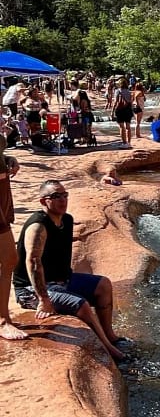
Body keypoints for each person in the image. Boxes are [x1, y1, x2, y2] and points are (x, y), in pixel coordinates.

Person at [13, 180, 124, 361]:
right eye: (56, 196)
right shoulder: (38, 225)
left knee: (103, 285)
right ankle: (109, 350)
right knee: (81, 305)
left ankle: (110, 336)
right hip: (30, 290)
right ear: (43, 201)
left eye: (65, 195)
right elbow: (33, 262)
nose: (62, 200)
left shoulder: (67, 220)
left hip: (62, 281)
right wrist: (44, 300)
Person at [0, 134, 25, 341]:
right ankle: (2, 320)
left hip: (3, 199)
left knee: (8, 260)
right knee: (8, 259)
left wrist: (7, 159)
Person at [112, 77, 134, 146]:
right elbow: (131, 102)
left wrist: (112, 111)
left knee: (122, 127)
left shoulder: (117, 91)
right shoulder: (129, 92)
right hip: (128, 110)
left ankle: (124, 143)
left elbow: (115, 102)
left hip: (120, 110)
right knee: (128, 127)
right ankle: (129, 142)